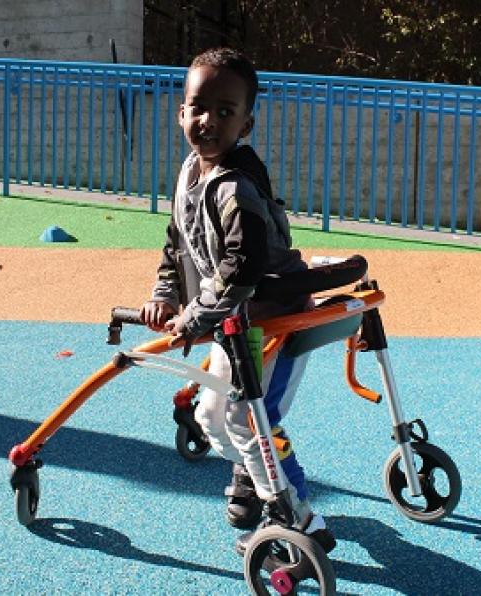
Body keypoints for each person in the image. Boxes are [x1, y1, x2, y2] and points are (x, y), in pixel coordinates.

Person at [139, 47, 335, 554]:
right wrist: (166, 295)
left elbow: (241, 267)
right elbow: (176, 242)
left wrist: (194, 317)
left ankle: (297, 514)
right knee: (212, 418)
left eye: (225, 112)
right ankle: (256, 476)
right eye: (198, 107)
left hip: (275, 318)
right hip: (233, 321)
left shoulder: (235, 187)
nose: (208, 121)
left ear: (245, 124)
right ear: (181, 110)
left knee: (250, 419)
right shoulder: (191, 173)